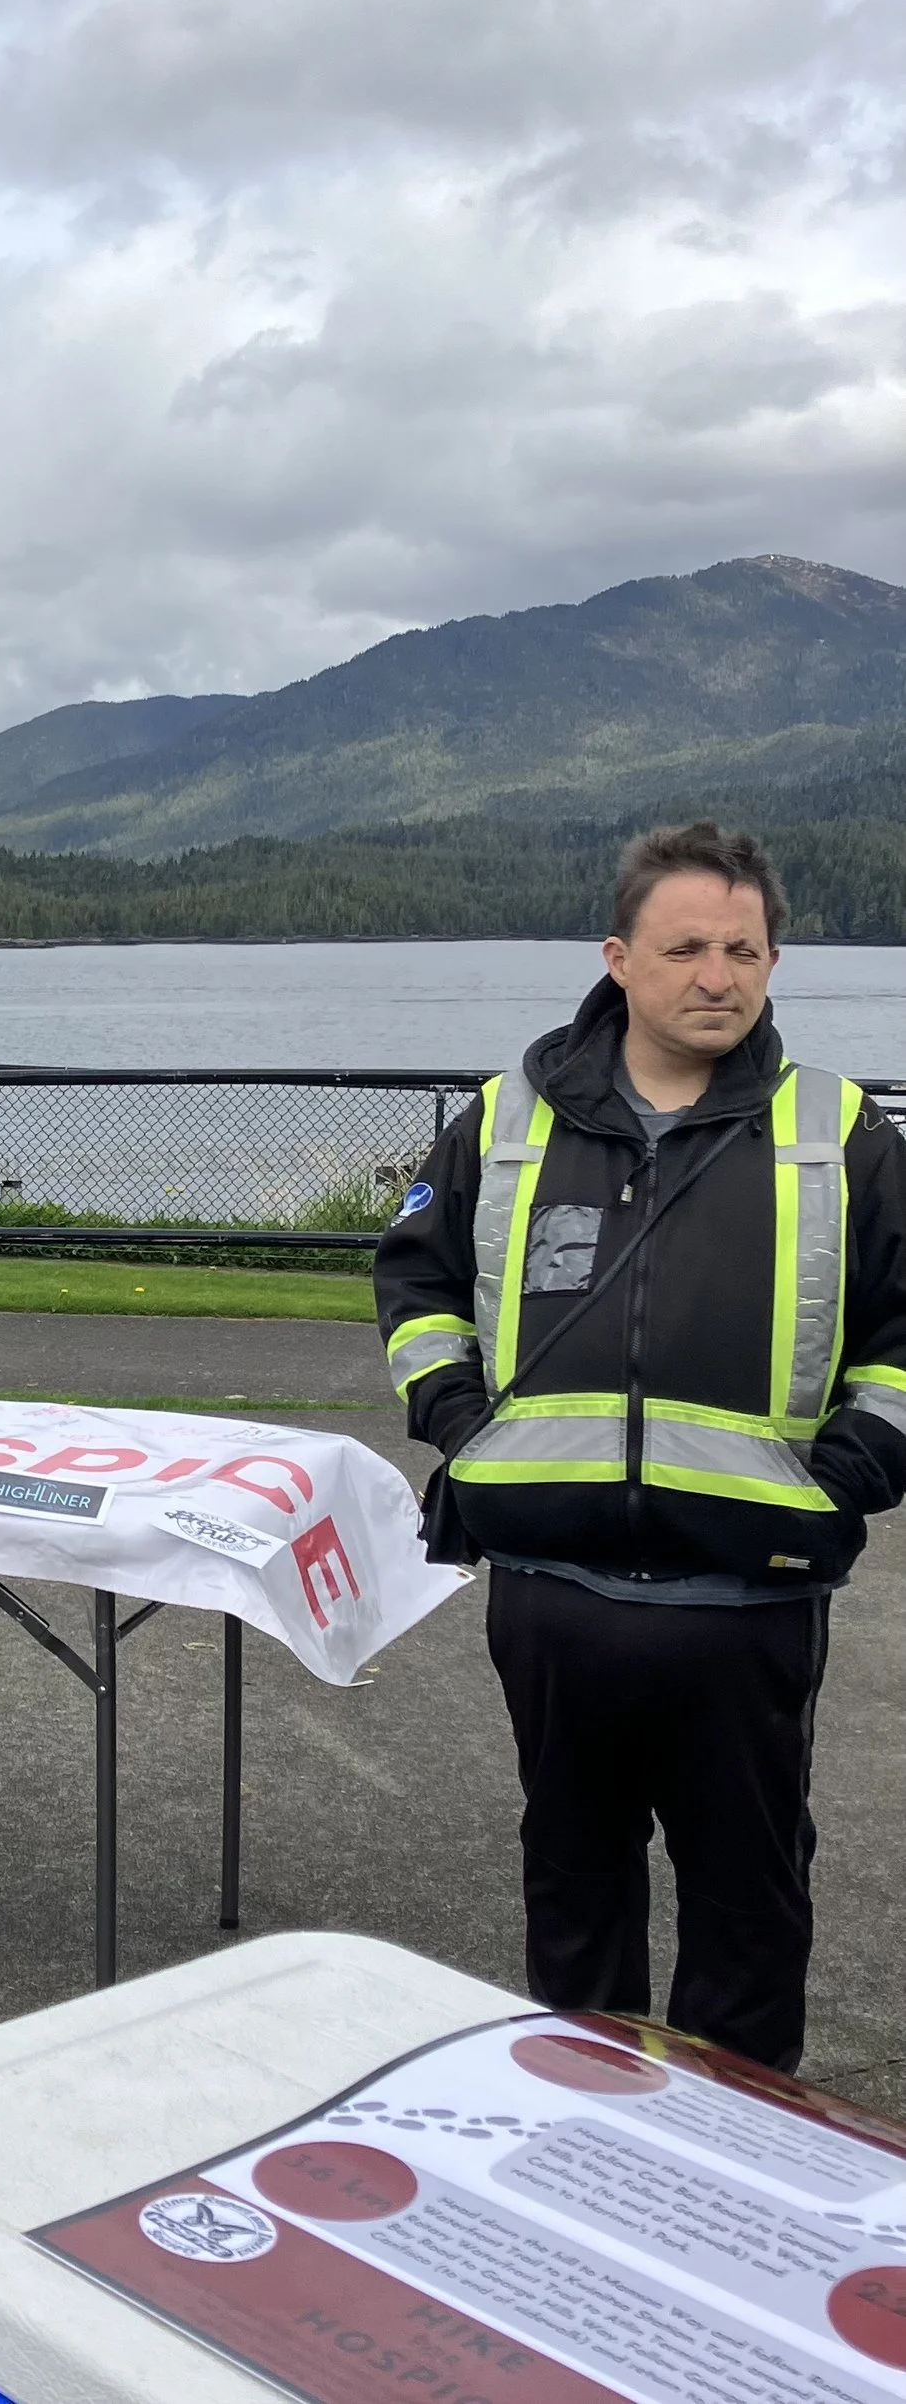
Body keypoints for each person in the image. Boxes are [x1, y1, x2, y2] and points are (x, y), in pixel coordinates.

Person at [376, 821, 906, 2072]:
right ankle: (581, 2125)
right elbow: (416, 1285)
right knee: (572, 1891)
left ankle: (736, 2150)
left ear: (772, 962)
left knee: (747, 1910)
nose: (716, 976)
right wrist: (459, 1420)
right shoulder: (504, 1121)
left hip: (748, 1599)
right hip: (551, 1594)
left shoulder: (840, 1133)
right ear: (617, 957)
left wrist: (846, 1476)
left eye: (743, 951)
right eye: (684, 949)